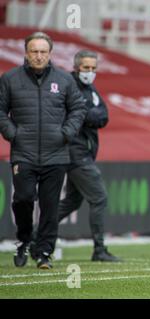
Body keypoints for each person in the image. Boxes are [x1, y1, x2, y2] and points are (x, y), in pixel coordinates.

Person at [0, 32, 87, 269]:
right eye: (34, 51)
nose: (39, 56)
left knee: (49, 206)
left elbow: (78, 109)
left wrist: (66, 133)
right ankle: (24, 239)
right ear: (26, 53)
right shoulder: (9, 79)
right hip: (23, 153)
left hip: (56, 154)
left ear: (50, 54)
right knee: (23, 199)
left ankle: (44, 252)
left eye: (43, 52)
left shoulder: (65, 80)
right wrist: (12, 133)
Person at [57, 50, 120, 262]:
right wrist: (89, 114)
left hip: (84, 152)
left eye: (94, 68)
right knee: (99, 197)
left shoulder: (90, 89)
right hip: (76, 152)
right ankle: (99, 249)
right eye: (86, 68)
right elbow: (83, 114)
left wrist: (89, 114)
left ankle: (35, 235)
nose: (90, 72)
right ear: (76, 67)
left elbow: (103, 115)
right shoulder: (70, 86)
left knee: (72, 202)